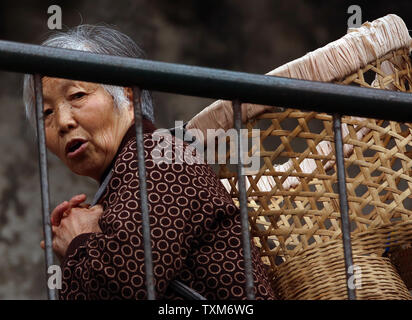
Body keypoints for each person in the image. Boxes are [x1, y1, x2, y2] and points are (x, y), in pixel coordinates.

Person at [23, 24, 275, 300]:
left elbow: (125, 287)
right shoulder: (125, 176)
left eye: (77, 96)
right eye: (46, 112)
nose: (62, 121)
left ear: (128, 95)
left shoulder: (158, 156)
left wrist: (79, 241)